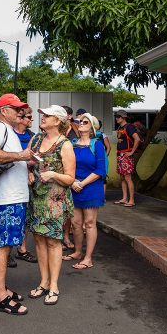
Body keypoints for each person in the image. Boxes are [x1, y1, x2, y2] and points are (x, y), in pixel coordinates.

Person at [0, 93, 33, 315]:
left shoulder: (7, 130)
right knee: (3, 246)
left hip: (12, 197)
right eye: (16, 109)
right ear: (4, 111)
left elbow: (8, 157)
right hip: (7, 198)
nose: (20, 112)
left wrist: (25, 159)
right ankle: (1, 297)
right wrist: (21, 155)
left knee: (4, 244)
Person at [27, 105, 76, 306]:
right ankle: (44, 282)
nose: (43, 118)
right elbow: (28, 161)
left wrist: (54, 174)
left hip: (55, 201)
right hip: (37, 198)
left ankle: (54, 285)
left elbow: (70, 178)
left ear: (58, 121)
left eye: (47, 115)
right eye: (43, 115)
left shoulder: (65, 145)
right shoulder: (36, 139)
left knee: (53, 242)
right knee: (39, 241)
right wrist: (29, 172)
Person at [64, 113, 106, 270]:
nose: (80, 123)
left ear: (92, 127)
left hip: (91, 187)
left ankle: (88, 258)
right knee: (75, 223)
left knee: (89, 223)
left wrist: (81, 183)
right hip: (74, 186)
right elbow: (67, 165)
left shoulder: (97, 144)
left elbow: (100, 169)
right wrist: (73, 181)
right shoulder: (73, 143)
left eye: (85, 121)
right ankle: (77, 252)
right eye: (80, 121)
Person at [9, 107, 37, 267]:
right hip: (10, 182)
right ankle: (6, 252)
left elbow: (34, 157)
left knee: (25, 216)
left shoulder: (32, 136)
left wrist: (31, 169)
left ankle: (22, 249)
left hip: (28, 182)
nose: (30, 121)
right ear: (20, 118)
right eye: (28, 117)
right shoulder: (9, 135)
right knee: (8, 217)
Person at [61, 105, 80, 251]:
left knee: (68, 210)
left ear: (69, 116)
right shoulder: (56, 132)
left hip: (73, 172)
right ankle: (58, 238)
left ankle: (66, 237)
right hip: (58, 174)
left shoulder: (76, 130)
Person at [114, 109, 140, 208]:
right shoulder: (120, 127)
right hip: (120, 155)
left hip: (126, 156)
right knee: (122, 178)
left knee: (128, 178)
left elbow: (137, 139)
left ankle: (131, 200)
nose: (116, 118)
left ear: (123, 117)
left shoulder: (129, 127)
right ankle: (124, 198)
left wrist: (132, 152)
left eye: (118, 117)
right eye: (116, 116)